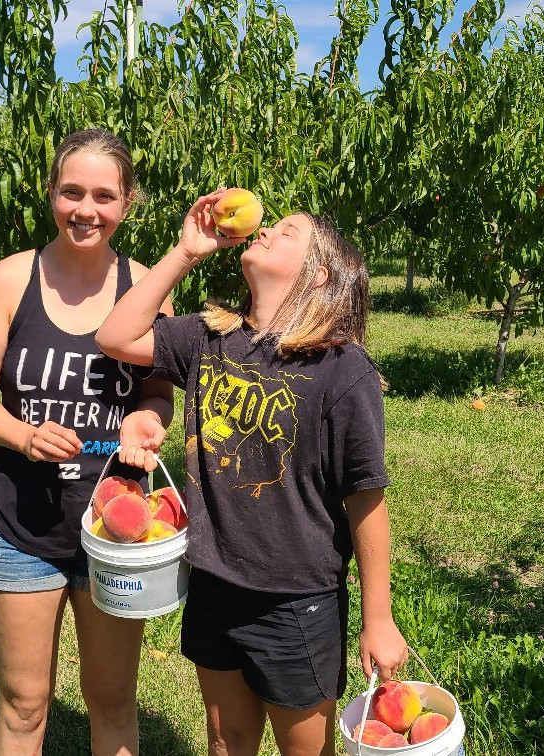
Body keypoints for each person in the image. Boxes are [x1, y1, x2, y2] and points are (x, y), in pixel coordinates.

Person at [96, 191, 409, 755]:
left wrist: (378, 618)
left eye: (288, 232)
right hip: (215, 583)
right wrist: (186, 251)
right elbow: (115, 337)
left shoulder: (341, 369)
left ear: (318, 277)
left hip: (295, 599)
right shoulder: (209, 337)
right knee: (226, 739)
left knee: (304, 750)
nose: (266, 230)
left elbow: (367, 499)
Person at [0, 128, 174, 755]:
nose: (86, 209)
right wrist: (24, 436)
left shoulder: (145, 287)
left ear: (126, 204)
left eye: (104, 195)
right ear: (50, 193)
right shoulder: (9, 280)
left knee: (111, 702)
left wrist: (146, 421)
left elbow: (157, 394)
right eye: (71, 191)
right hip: (20, 523)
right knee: (24, 707)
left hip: (115, 530)